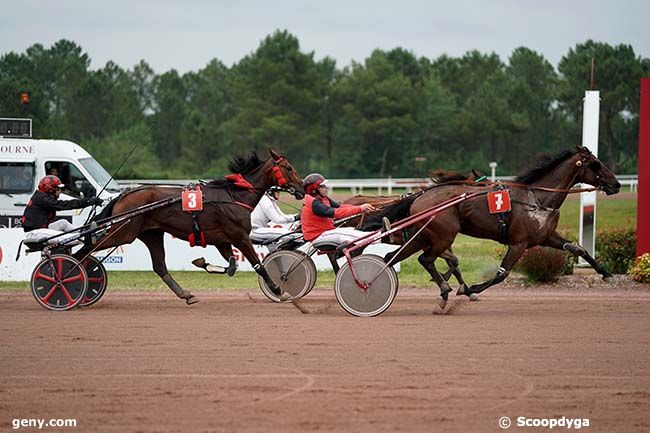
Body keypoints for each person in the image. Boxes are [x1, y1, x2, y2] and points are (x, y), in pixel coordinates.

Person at [300, 173, 380, 248]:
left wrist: (361, 208)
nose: (326, 188)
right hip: (318, 236)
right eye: (323, 186)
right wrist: (360, 208)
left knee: (350, 230)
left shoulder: (322, 198)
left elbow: (340, 207)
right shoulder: (314, 203)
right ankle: (379, 237)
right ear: (314, 190)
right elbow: (336, 212)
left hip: (324, 232)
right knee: (347, 233)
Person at [21, 175, 103, 244]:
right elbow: (65, 205)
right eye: (58, 189)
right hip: (35, 233)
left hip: (39, 230)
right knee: (65, 237)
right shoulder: (43, 199)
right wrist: (88, 201)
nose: (60, 191)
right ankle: (86, 238)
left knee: (63, 223)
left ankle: (82, 232)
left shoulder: (41, 197)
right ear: (51, 189)